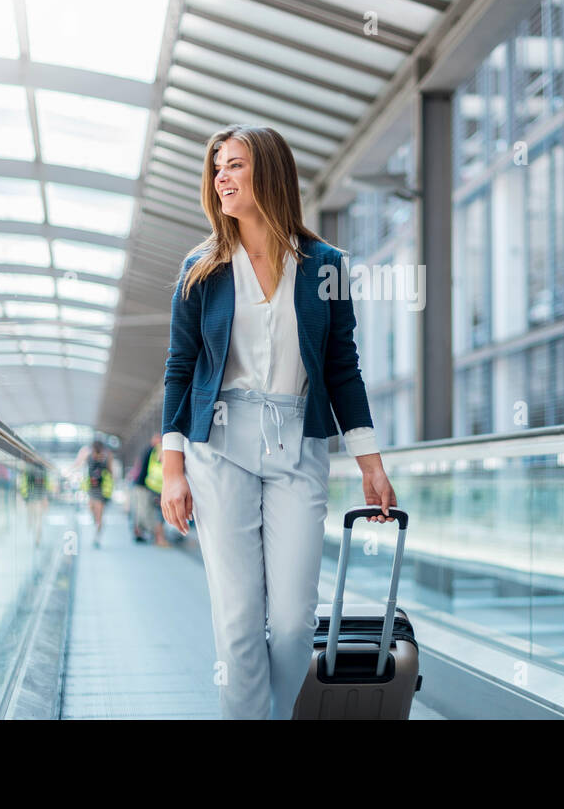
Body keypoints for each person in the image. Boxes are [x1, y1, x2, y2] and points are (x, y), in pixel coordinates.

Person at [160, 123, 398, 720]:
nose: (221, 177)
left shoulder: (327, 266)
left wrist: (371, 465)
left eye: (235, 165)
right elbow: (179, 369)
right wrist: (172, 471)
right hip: (218, 447)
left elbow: (344, 368)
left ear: (268, 172)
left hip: (299, 447)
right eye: (217, 167)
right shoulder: (201, 268)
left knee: (293, 625)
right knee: (238, 626)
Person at [130, 434, 167, 545]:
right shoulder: (154, 450)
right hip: (144, 486)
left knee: (141, 510)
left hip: (142, 484)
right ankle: (148, 533)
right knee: (144, 510)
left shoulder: (147, 450)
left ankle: (140, 532)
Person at [81, 439, 114, 547]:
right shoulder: (89, 457)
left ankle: (97, 538)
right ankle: (97, 525)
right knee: (91, 509)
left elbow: (111, 473)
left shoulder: (106, 458)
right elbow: (82, 465)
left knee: (99, 515)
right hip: (91, 489)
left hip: (101, 490)